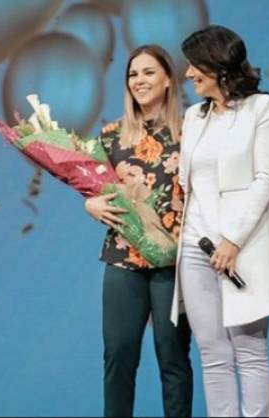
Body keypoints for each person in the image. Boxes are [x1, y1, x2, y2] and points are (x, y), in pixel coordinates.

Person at [170, 24, 269, 417]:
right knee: (213, 354)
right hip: (195, 246)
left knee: (250, 351)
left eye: (192, 65)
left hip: (244, 246)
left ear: (217, 63)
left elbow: (267, 178)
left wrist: (232, 240)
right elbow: (190, 184)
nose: (187, 74)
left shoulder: (265, 109)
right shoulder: (194, 117)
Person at [84, 45, 193, 417]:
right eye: (133, 74)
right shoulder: (111, 136)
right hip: (122, 259)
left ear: (167, 80)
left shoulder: (191, 130)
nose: (139, 81)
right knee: (118, 355)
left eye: (148, 72)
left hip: (175, 263)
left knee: (173, 355)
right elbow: (96, 191)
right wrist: (89, 204)